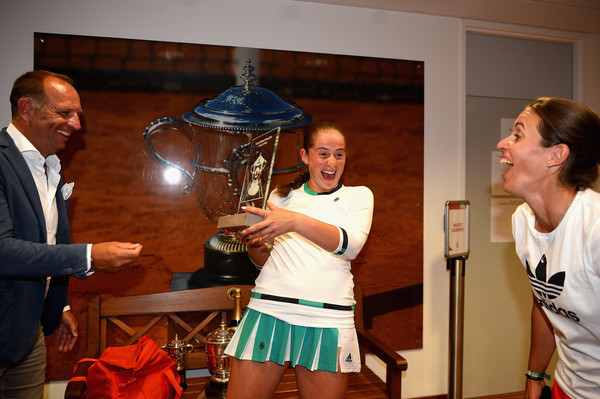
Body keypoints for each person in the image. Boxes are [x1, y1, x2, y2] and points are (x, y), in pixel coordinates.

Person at [0, 70, 143, 398]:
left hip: (28, 333)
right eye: (64, 113)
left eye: (77, 114)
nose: (76, 124)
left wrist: (59, 305)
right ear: (26, 110)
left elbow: (47, 238)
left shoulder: (48, 164)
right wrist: (90, 255)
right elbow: (3, 250)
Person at [223, 120, 374, 399]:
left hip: (327, 318)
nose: (332, 161)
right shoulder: (281, 197)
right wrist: (254, 240)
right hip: (269, 310)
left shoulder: (358, 196)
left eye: (339, 154)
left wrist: (294, 222)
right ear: (305, 156)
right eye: (323, 153)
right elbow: (260, 261)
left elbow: (350, 247)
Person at [497, 97, 600, 399]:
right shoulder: (523, 222)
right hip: (567, 386)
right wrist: (534, 376)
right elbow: (544, 302)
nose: (504, 143)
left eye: (517, 134)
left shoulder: (594, 229)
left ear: (556, 155)